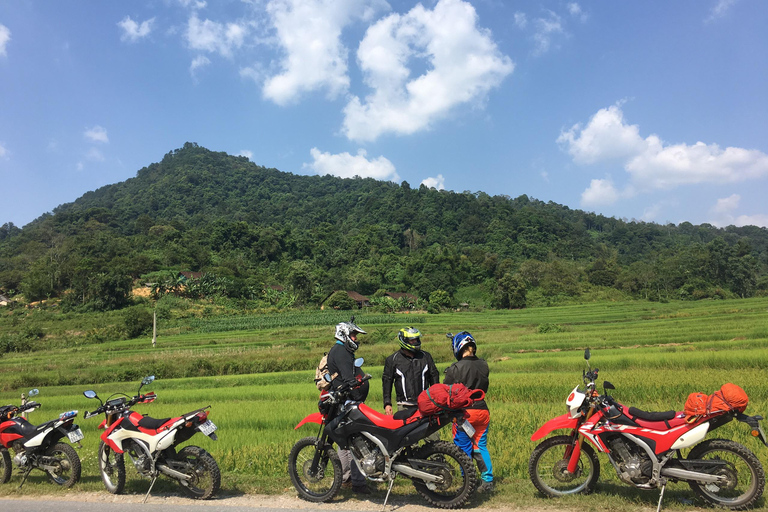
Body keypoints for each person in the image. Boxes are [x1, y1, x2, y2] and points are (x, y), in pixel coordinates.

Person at [443, 331, 494, 493]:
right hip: (482, 411)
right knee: (480, 446)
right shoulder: (484, 364)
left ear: (458, 347)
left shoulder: (455, 368)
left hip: (464, 415)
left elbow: (446, 392)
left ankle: (467, 484)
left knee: (463, 449)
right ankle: (487, 482)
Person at [326, 320, 371, 495]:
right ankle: (357, 483)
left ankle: (348, 479)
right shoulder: (342, 352)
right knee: (356, 443)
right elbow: (348, 379)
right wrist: (357, 386)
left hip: (347, 402)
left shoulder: (341, 350)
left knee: (346, 443)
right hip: (347, 403)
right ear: (344, 334)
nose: (356, 339)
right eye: (353, 335)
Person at [382, 327, 439, 420]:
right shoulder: (392, 359)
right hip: (404, 406)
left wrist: (437, 400)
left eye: (417, 339)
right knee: (405, 433)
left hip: (425, 405)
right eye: (412, 340)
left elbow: (434, 378)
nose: (415, 342)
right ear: (404, 341)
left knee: (431, 433)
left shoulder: (426, 357)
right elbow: (387, 381)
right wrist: (387, 403)